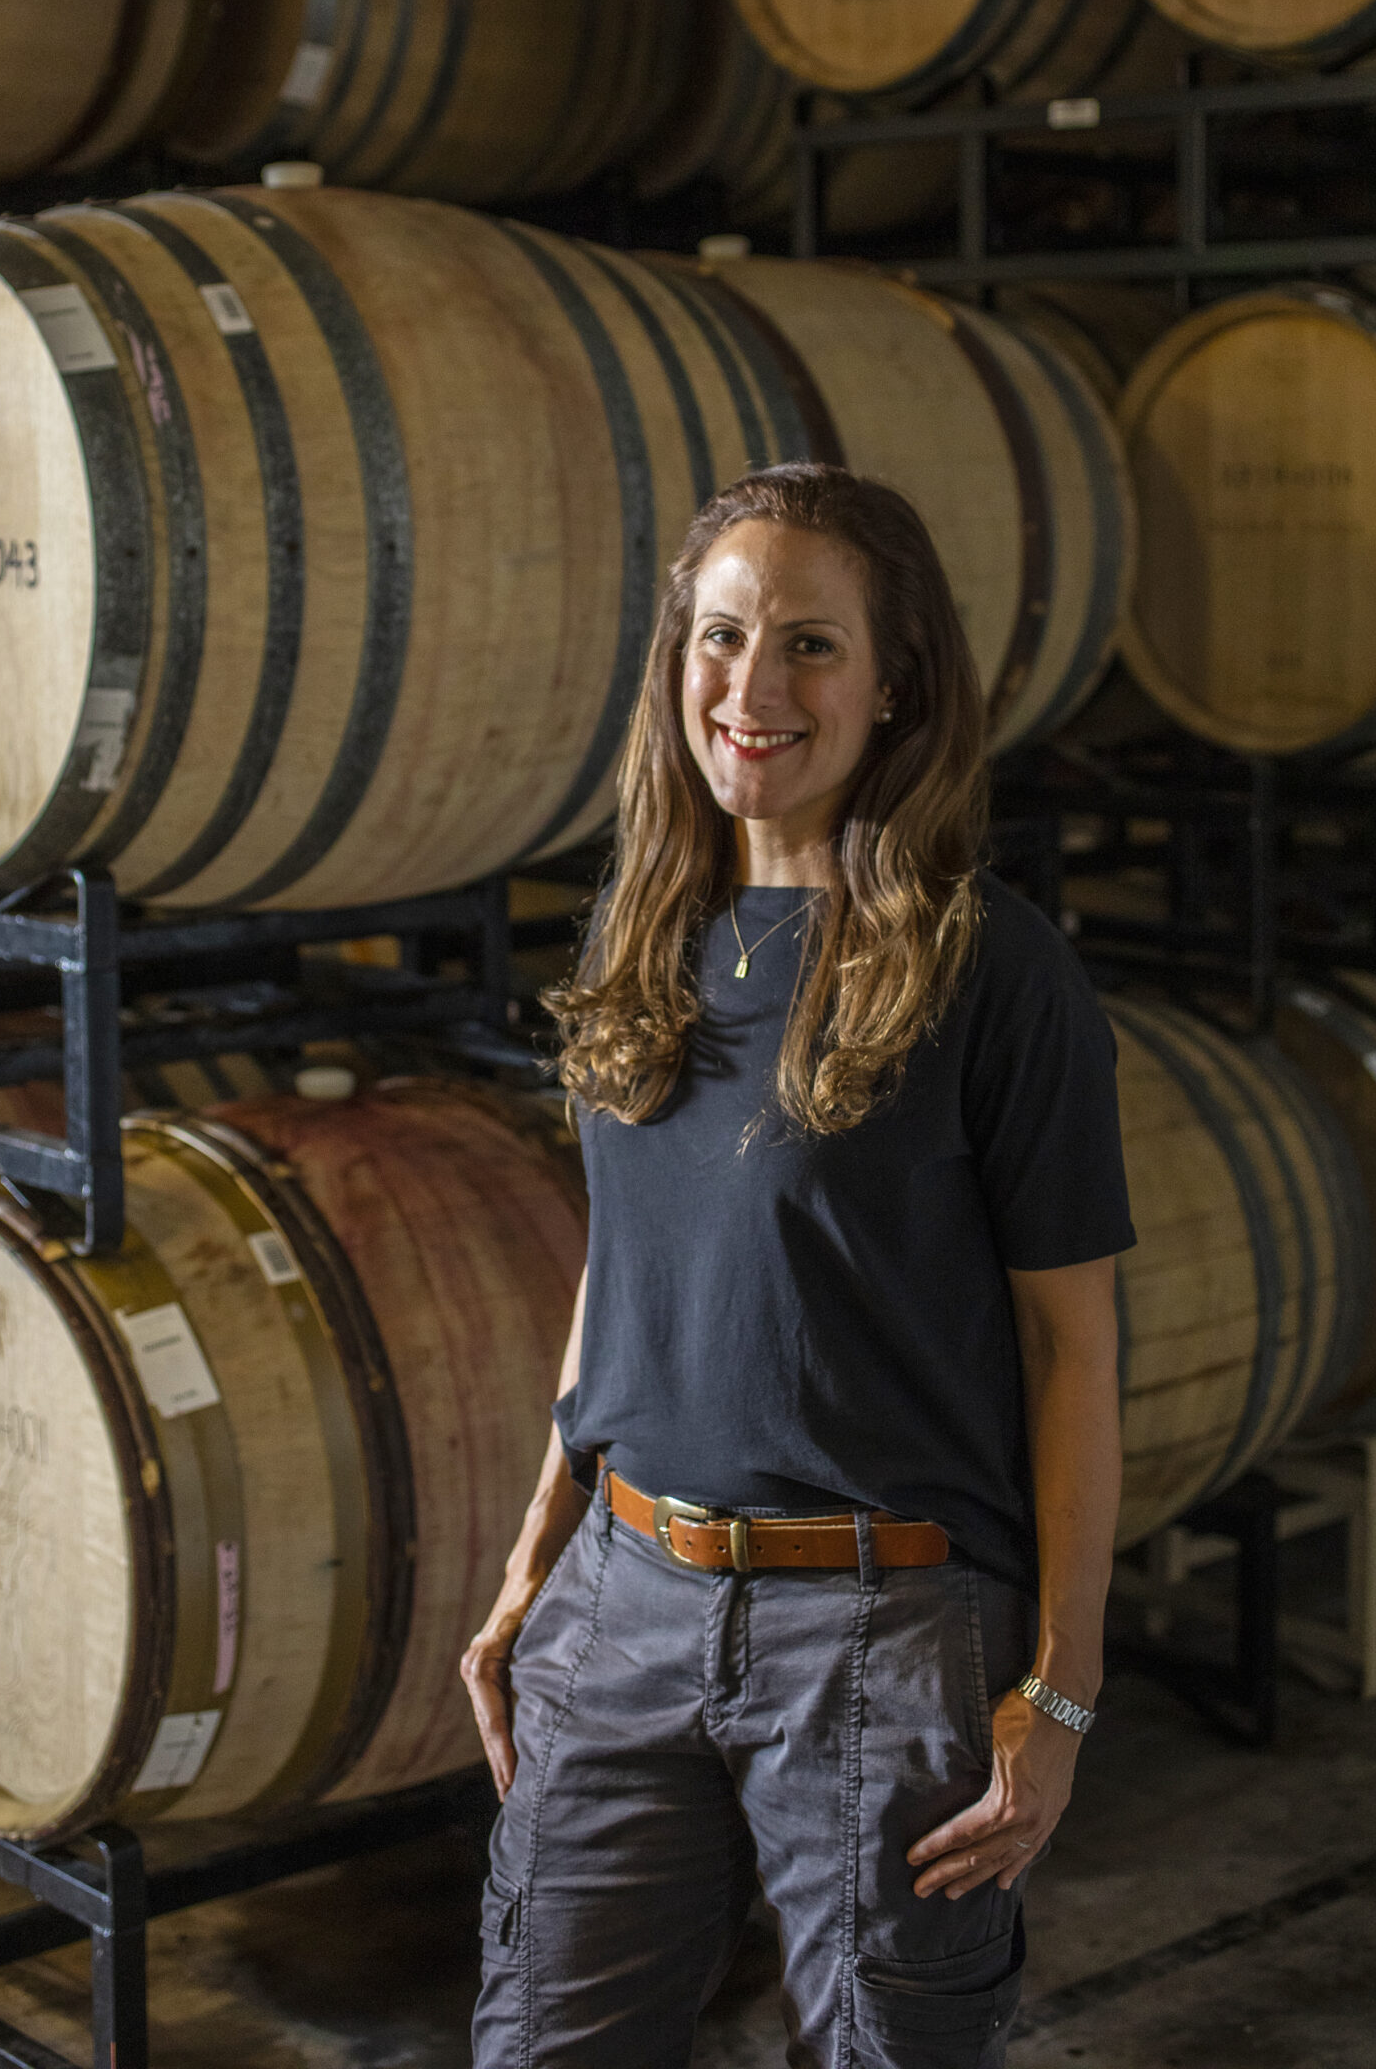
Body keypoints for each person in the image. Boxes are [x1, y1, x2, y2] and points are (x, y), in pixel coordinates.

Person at [461, 462, 1132, 2069]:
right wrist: (532, 1560)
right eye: (721, 635)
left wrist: (1065, 1693)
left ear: (898, 684)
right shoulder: (646, 920)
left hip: (885, 1632)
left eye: (811, 646)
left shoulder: (993, 970)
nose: (753, 689)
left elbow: (1072, 1358)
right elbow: (627, 1274)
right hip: (620, 1603)